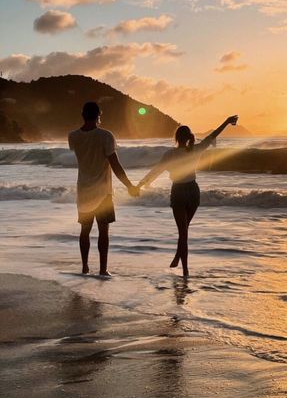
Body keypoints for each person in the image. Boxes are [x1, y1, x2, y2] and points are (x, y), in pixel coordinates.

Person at [138, 115, 238, 277]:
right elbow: (213, 136)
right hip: (193, 191)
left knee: (183, 232)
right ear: (189, 137)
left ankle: (185, 270)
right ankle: (180, 259)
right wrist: (227, 122)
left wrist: (139, 185)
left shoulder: (170, 154)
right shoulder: (196, 149)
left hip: (178, 192)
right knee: (184, 231)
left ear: (176, 138)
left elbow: (155, 171)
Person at [68, 101, 139, 276]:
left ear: (83, 115)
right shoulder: (106, 136)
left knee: (85, 230)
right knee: (103, 231)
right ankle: (102, 269)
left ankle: (84, 267)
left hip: (83, 189)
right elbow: (115, 164)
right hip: (102, 192)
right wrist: (129, 185)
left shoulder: (73, 136)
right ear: (99, 115)